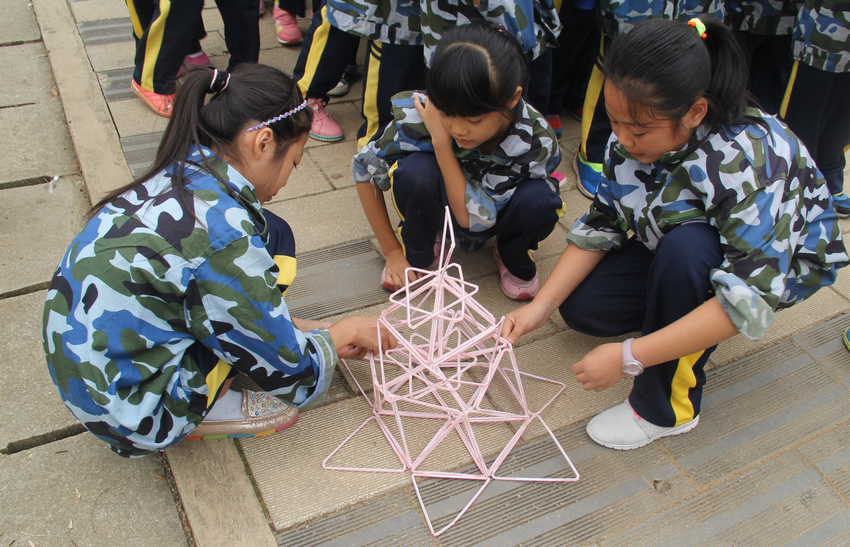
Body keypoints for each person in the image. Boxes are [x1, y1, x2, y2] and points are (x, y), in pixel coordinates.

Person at [502, 17, 848, 450]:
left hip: (762, 269)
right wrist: (539, 309)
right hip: (679, 235)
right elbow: (604, 221)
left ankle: (665, 409)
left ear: (695, 112)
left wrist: (631, 356)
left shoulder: (750, 164)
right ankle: (679, 311)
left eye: (639, 130)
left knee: (689, 251)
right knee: (584, 308)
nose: (623, 139)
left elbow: (748, 300)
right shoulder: (633, 135)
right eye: (614, 120)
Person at [42, 64, 395, 458]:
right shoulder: (226, 237)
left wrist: (310, 328)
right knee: (248, 306)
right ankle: (203, 410)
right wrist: (343, 332)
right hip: (134, 413)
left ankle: (263, 329)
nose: (287, 179)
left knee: (274, 235)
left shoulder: (182, 168)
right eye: (294, 163)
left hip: (85, 371)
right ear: (263, 143)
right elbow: (293, 374)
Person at [353, 21, 565, 300]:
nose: (458, 129)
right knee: (414, 172)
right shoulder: (425, 112)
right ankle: (421, 247)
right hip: (445, 204)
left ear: (513, 98)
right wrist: (391, 251)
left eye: (474, 120)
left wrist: (441, 142)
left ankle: (511, 251)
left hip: (494, 211)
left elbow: (471, 219)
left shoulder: (535, 141)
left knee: (539, 200)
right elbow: (363, 166)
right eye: (446, 113)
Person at [779, 0, 850, 217]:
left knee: (842, 119)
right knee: (804, 119)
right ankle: (797, 188)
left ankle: (828, 177)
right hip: (824, 31)